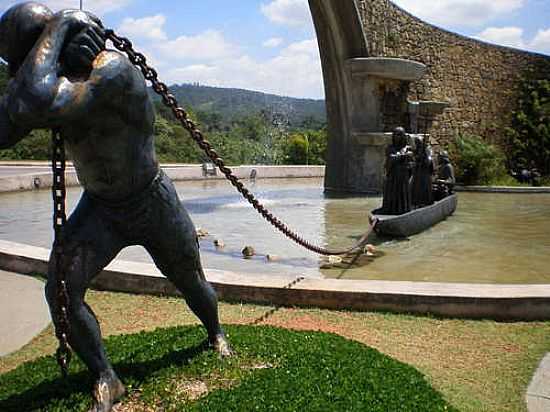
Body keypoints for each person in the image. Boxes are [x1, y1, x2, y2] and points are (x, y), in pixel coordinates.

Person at [0, 3, 231, 411]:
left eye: (27, 56)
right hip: (102, 207)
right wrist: (56, 36)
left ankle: (214, 332)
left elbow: (34, 102)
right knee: (61, 290)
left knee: (190, 280)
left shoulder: (112, 71)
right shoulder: (57, 80)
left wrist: (64, 19)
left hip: (151, 199)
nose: (22, 69)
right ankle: (107, 375)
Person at [380, 127, 413, 215]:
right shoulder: (390, 148)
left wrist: (404, 157)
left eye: (399, 135)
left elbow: (411, 161)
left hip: (403, 176)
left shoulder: (408, 148)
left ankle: (402, 211)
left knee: (402, 194)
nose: (396, 137)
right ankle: (389, 210)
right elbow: (391, 158)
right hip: (393, 175)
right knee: (391, 193)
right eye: (395, 135)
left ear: (403, 136)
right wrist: (403, 156)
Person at [411, 135, 434, 208]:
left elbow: (429, 161)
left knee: (424, 187)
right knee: (414, 187)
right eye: (416, 142)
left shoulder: (427, 149)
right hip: (417, 172)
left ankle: (426, 202)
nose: (417, 144)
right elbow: (413, 158)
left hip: (424, 173)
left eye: (418, 142)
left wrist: (424, 157)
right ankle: (414, 202)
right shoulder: (416, 150)